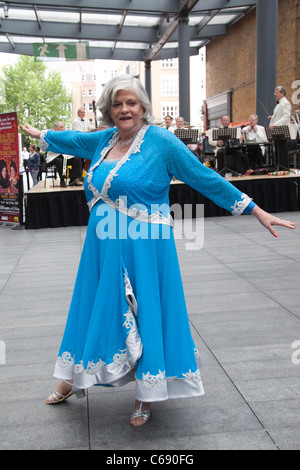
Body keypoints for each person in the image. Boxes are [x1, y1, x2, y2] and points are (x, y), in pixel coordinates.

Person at [20, 75, 295, 428]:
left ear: (143, 107)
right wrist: (42, 135)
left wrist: (255, 210)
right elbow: (74, 139)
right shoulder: (104, 140)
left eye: (131, 103)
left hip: (145, 248)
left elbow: (204, 177)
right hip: (102, 247)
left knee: (148, 312)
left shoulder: (161, 142)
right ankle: (73, 378)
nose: (124, 110)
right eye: (117, 104)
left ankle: (146, 394)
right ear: (108, 109)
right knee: (92, 308)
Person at [46, 121, 83, 187]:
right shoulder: (51, 135)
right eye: (61, 127)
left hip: (63, 156)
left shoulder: (64, 136)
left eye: (63, 127)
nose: (63, 129)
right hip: (53, 156)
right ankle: (62, 181)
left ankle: (73, 179)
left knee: (76, 159)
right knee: (60, 161)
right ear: (56, 128)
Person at [268, 86, 292, 170]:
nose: (275, 94)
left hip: (282, 131)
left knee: (282, 150)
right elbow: (280, 116)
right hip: (277, 132)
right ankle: (279, 167)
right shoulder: (279, 104)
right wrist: (272, 118)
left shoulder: (285, 103)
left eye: (277, 92)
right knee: (278, 150)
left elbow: (286, 117)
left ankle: (284, 168)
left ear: (282, 93)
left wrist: (275, 124)